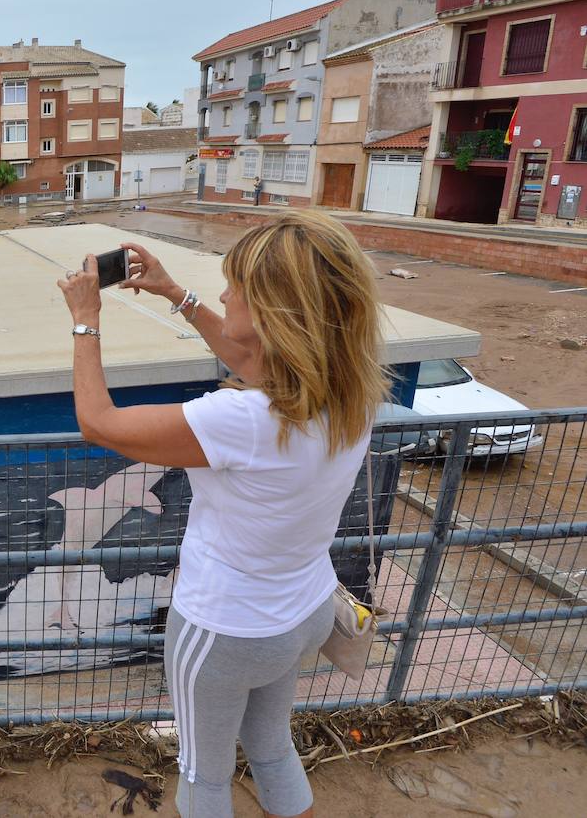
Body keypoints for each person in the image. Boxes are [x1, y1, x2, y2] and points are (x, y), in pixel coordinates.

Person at [56, 211, 388, 817]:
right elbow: (261, 361)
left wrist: (86, 320)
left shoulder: (241, 421)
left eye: (235, 285)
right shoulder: (352, 391)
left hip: (225, 630)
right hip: (304, 613)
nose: (224, 293)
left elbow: (97, 423)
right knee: (271, 748)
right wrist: (173, 294)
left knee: (204, 778)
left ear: (271, 312)